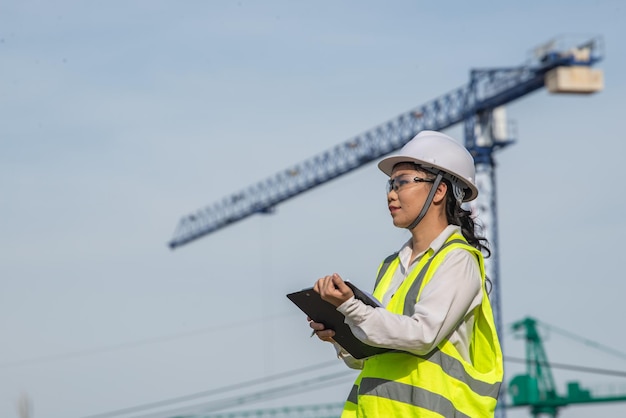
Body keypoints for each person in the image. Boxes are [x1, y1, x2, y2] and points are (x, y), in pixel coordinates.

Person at [309, 130, 504, 417]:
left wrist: (351, 307)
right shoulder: (391, 266)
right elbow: (375, 353)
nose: (391, 193)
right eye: (390, 184)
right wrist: (339, 334)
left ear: (439, 191)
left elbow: (422, 334)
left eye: (401, 183)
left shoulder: (457, 259)